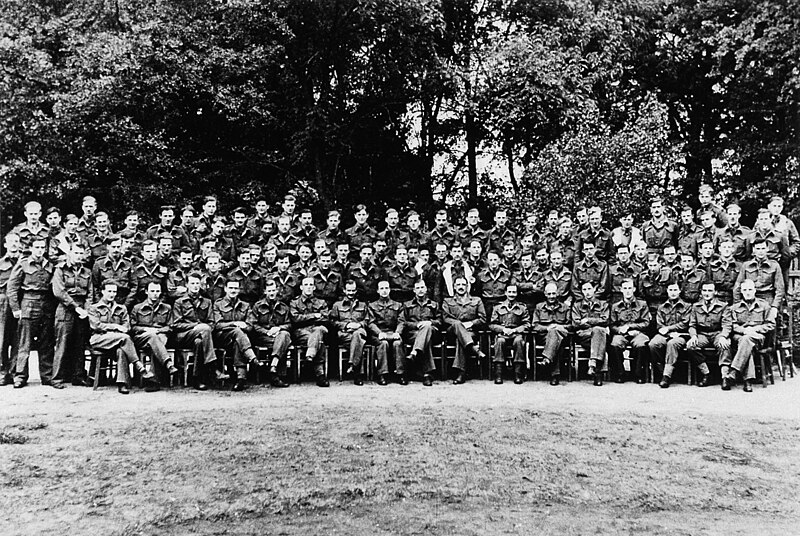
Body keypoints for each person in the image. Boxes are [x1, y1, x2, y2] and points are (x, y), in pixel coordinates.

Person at [88, 280, 156, 394]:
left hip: (118, 340)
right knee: (125, 338)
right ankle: (139, 365)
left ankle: (122, 383)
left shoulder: (121, 308)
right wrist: (115, 327)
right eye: (109, 291)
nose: (112, 294)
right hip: (99, 339)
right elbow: (96, 325)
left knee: (121, 350)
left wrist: (116, 332)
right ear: (103, 291)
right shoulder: (94, 308)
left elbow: (126, 326)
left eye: (114, 291)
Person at [6, 237, 55, 388]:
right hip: (29, 303)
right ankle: (20, 376)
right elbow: (12, 288)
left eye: (42, 247)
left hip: (46, 305)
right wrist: (15, 308)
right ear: (31, 249)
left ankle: (46, 375)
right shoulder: (23, 264)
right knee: (24, 343)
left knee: (46, 343)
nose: (40, 250)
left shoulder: (50, 265)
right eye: (37, 247)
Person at [169, 271, 228, 390]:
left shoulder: (207, 301)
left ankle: (196, 379)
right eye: (192, 283)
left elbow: (212, 323)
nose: (195, 286)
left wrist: (203, 329)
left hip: (202, 337)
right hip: (183, 336)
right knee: (204, 329)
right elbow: (175, 325)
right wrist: (196, 327)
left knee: (199, 342)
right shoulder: (179, 302)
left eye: (197, 283)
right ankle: (213, 368)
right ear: (187, 285)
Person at [51, 242, 93, 388]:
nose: (78, 256)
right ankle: (57, 378)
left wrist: (86, 309)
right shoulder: (60, 270)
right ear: (69, 253)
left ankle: (78, 376)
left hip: (82, 310)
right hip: (65, 309)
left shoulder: (87, 272)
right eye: (76, 252)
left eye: (81, 253)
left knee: (79, 344)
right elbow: (59, 292)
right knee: (62, 343)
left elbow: (90, 293)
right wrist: (76, 307)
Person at [726, 279, 775, 392]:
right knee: (747, 343)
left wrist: (755, 329)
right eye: (745, 290)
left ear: (755, 290)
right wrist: (744, 331)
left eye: (750, 289)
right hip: (739, 337)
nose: (748, 292)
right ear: (741, 292)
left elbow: (771, 324)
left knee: (747, 340)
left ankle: (734, 371)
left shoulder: (764, 306)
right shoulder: (734, 307)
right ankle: (747, 381)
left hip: (758, 338)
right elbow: (732, 325)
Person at [130, 281, 179, 387]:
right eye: (152, 291)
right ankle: (168, 364)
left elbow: (171, 327)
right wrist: (145, 329)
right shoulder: (137, 308)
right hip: (141, 338)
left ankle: (153, 380)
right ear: (146, 292)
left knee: (157, 338)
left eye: (157, 291)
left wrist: (158, 331)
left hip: (160, 336)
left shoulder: (167, 308)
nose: (155, 293)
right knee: (154, 337)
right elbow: (132, 327)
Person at [212, 279, 258, 391]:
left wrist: (244, 327)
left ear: (239, 290)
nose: (233, 290)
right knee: (238, 332)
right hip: (222, 337)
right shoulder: (218, 304)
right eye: (231, 288)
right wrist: (234, 324)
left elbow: (251, 325)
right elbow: (217, 325)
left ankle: (240, 379)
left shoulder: (245, 306)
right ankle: (251, 357)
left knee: (239, 338)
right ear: (225, 289)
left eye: (236, 288)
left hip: (240, 339)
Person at [441, 276, 487, 384]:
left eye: (463, 285)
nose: (461, 287)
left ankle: (461, 373)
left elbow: (483, 318)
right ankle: (474, 349)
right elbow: (445, 318)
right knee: (457, 325)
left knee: (460, 339)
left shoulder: (477, 300)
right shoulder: (448, 301)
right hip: (451, 332)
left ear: (467, 286)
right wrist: (460, 325)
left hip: (470, 331)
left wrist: (470, 323)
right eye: (458, 285)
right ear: (454, 287)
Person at [246, 279, 291, 387]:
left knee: (284, 335)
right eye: (269, 290)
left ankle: (273, 367)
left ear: (277, 291)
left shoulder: (284, 307)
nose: (272, 293)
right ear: (265, 291)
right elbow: (253, 325)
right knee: (285, 339)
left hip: (278, 336)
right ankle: (275, 374)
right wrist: (267, 332)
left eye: (274, 290)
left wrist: (278, 328)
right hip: (262, 337)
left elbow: (289, 324)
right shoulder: (258, 306)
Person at [686, 281, 730, 389]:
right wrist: (693, 336)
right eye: (704, 290)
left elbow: (727, 325)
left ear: (715, 292)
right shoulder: (696, 307)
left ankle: (725, 377)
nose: (707, 293)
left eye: (710, 290)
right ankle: (706, 373)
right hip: (702, 335)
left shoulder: (723, 306)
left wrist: (724, 336)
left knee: (724, 345)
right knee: (690, 346)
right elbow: (692, 325)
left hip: (717, 333)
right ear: (701, 292)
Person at [648, 282, 692, 388]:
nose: (673, 293)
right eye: (670, 290)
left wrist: (670, 329)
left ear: (679, 291)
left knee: (672, 344)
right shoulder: (662, 307)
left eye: (675, 290)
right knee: (653, 344)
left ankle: (666, 377)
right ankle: (662, 369)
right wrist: (667, 331)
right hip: (665, 334)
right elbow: (660, 324)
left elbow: (685, 323)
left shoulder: (687, 306)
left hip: (681, 335)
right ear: (667, 291)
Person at [290, 276, 331, 387]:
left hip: (318, 329)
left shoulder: (321, 302)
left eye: (310, 285)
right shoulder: (295, 303)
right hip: (301, 332)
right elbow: (295, 319)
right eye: (306, 285)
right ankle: (320, 375)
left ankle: (310, 355)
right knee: (319, 341)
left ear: (314, 287)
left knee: (319, 331)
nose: (308, 287)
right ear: (301, 287)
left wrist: (306, 318)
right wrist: (314, 316)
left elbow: (326, 318)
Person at [608, 279, 652, 383]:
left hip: (638, 333)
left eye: (630, 288)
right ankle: (620, 373)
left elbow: (646, 323)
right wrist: (620, 331)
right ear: (621, 290)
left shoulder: (642, 304)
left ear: (634, 289)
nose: (628, 291)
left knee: (641, 344)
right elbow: (612, 325)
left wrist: (631, 327)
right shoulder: (615, 306)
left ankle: (638, 374)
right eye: (625, 288)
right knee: (615, 344)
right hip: (621, 334)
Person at [399, 279, 440, 386]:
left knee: (427, 329)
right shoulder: (407, 305)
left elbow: (440, 321)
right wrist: (416, 325)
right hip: (413, 334)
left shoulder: (434, 304)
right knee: (426, 340)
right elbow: (403, 322)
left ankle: (414, 353)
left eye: (422, 287)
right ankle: (427, 374)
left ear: (426, 289)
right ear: (414, 290)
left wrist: (429, 322)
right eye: (418, 288)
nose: (420, 290)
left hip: (432, 332)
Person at [330, 280, 370, 385]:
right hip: (345, 334)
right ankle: (357, 372)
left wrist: (359, 325)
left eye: (353, 290)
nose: (351, 293)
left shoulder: (363, 305)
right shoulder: (337, 305)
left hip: (360, 331)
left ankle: (353, 365)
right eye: (349, 290)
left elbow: (367, 320)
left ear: (356, 290)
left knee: (357, 335)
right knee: (358, 342)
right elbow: (332, 321)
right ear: (344, 290)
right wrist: (346, 325)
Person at [489, 284, 530, 384]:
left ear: (517, 293)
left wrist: (515, 330)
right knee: (500, 341)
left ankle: (518, 374)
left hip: (516, 334)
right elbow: (492, 324)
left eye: (514, 292)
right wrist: (503, 329)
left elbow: (527, 324)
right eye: (510, 292)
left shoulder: (522, 307)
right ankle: (498, 374)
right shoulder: (498, 307)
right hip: (503, 334)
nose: (511, 294)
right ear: (505, 293)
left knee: (519, 341)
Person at [570, 280, 609, 386]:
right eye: (584, 289)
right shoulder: (577, 305)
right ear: (582, 291)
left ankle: (593, 364)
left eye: (589, 289)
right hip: (584, 336)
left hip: (597, 334)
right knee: (599, 335)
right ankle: (597, 374)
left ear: (594, 290)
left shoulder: (603, 304)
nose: (587, 292)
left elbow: (605, 320)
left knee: (598, 333)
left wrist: (587, 320)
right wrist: (595, 324)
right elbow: (576, 323)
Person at [531, 282, 571, 385]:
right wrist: (547, 328)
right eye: (549, 294)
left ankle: (547, 358)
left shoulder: (565, 308)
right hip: (544, 336)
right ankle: (555, 375)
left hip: (562, 335)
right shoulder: (539, 307)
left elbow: (571, 325)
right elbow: (535, 325)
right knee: (556, 340)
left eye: (554, 293)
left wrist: (559, 327)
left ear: (557, 293)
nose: (552, 296)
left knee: (556, 336)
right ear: (545, 294)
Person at [367, 280, 404, 386]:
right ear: (378, 291)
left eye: (386, 288)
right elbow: (370, 323)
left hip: (393, 332)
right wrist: (379, 333)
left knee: (397, 343)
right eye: (382, 288)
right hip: (378, 334)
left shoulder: (398, 305)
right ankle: (382, 374)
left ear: (390, 290)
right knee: (383, 343)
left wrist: (398, 332)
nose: (384, 291)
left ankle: (400, 374)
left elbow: (401, 321)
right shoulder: (372, 306)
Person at [0, 233, 22, 386]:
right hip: (2, 303)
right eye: (11, 242)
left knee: (18, 338)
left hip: (21, 301)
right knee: (1, 339)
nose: (14, 244)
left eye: (16, 241)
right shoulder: (0, 263)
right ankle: (2, 372)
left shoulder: (25, 262)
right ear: (5, 245)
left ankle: (15, 372)